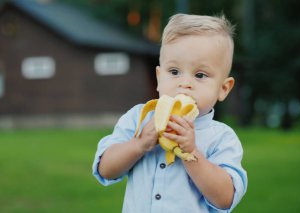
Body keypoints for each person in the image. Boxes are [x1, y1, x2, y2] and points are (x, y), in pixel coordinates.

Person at [92, 13, 247, 212]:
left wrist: (191, 153)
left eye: (200, 75)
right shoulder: (138, 118)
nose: (184, 84)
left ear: (223, 88)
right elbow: (106, 169)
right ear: (159, 77)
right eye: (174, 72)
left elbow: (225, 198)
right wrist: (138, 144)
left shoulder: (221, 138)